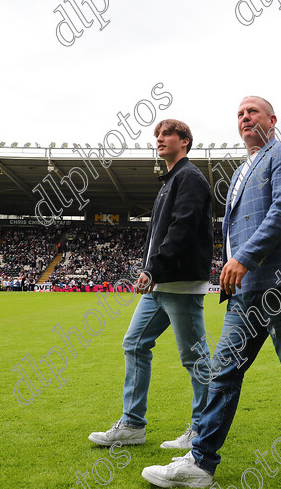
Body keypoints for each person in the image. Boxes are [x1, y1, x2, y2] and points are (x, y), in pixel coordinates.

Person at [141, 97, 281, 487]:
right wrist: (231, 264)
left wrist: (245, 258)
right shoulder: (238, 173)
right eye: (239, 113)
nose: (245, 117)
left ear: (273, 119)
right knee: (223, 372)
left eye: (252, 111)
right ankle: (200, 463)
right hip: (245, 290)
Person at [88, 119, 213, 450]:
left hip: (180, 282)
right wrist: (151, 269)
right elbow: (161, 234)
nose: (159, 139)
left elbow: (182, 228)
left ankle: (204, 428)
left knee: (195, 357)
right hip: (161, 284)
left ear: (184, 141)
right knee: (134, 343)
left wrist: (153, 268)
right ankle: (132, 425)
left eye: (166, 134)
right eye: (156, 135)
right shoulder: (169, 181)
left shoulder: (189, 178)